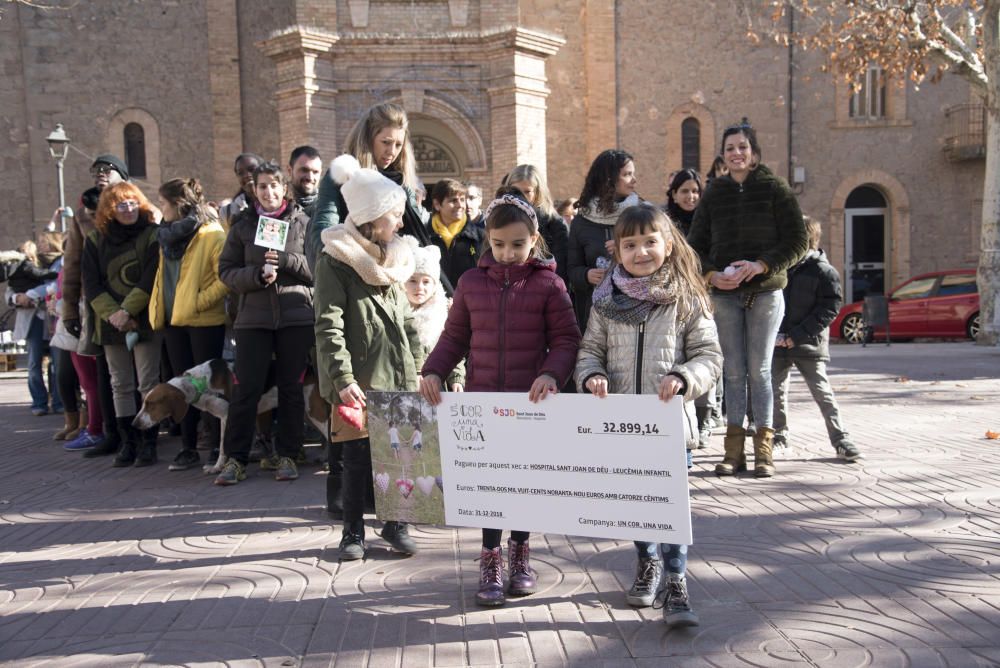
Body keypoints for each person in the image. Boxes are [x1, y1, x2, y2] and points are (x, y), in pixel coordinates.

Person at [420, 189, 581, 607]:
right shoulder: (472, 283)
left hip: (530, 406)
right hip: (484, 403)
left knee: (523, 484)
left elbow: (566, 338)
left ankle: (521, 553)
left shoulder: (550, 283)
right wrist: (434, 370)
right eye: (498, 244)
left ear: (534, 240)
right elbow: (455, 336)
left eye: (518, 244)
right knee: (490, 485)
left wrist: (551, 373)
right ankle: (490, 558)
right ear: (487, 239)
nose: (507, 253)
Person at [575, 203, 721, 628]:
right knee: (639, 506)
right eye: (630, 244)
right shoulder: (606, 302)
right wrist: (593, 376)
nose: (641, 252)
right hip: (624, 426)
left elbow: (709, 356)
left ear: (668, 244)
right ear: (616, 251)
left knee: (671, 506)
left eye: (650, 242)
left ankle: (676, 580)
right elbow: (589, 352)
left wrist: (683, 375)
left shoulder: (686, 297)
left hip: (670, 426)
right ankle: (648, 562)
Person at [313, 154, 425, 559]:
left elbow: (406, 321)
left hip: (399, 375)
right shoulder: (337, 262)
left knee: (400, 453)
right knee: (357, 459)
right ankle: (353, 532)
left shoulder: (392, 260)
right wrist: (342, 379)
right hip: (359, 380)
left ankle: (396, 524)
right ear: (371, 218)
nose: (399, 222)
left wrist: (423, 366)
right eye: (393, 215)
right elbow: (328, 325)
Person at [687, 119, 808, 478]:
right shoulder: (715, 193)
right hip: (725, 296)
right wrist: (711, 275)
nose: (736, 154)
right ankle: (733, 452)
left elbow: (798, 241)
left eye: (742, 147)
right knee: (733, 372)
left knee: (760, 371)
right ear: (723, 156)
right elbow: (695, 246)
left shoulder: (775, 188)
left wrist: (761, 265)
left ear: (754, 153)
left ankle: (764, 451)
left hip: (766, 293)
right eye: (730, 149)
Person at [216, 161, 314, 485]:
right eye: (262, 186)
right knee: (246, 389)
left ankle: (288, 454)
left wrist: (286, 261)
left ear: (284, 187)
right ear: (253, 190)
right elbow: (226, 271)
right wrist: (256, 275)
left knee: (290, 388)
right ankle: (236, 459)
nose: (268, 191)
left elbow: (318, 268)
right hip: (252, 318)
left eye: (274, 185)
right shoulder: (243, 225)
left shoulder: (303, 222)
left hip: (294, 316)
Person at [149, 178, 228, 471]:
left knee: (206, 388)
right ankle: (187, 447)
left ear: (178, 205)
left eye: (163, 203)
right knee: (180, 385)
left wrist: (196, 301)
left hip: (203, 322)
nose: (161, 209)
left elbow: (225, 280)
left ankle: (213, 449)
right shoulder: (165, 236)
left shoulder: (212, 233)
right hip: (172, 321)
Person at [82, 182, 161, 467]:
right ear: (108, 209)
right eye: (120, 204)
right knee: (120, 384)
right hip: (109, 321)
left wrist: (128, 311)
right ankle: (128, 443)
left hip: (143, 319)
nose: (127, 209)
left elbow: (151, 276)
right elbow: (90, 283)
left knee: (148, 382)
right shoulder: (94, 240)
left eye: (131, 203)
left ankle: (149, 443)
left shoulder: (152, 234)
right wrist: (114, 314)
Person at [772, 217, 862, 462]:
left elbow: (830, 308)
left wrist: (797, 336)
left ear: (807, 239)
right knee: (775, 392)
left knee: (822, 392)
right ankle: (779, 437)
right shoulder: (780, 267)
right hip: (778, 344)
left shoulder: (824, 271)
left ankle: (841, 439)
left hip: (808, 343)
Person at [307, 102, 434, 273]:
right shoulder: (342, 174)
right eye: (386, 142)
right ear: (368, 139)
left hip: (400, 277)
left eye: (398, 145)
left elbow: (416, 236)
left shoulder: (402, 181)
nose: (392, 151)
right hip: (351, 272)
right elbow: (324, 231)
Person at [62, 156, 129, 459]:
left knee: (140, 374)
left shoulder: (135, 207)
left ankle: (141, 434)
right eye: (96, 172)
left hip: (133, 303)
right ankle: (110, 433)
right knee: (105, 372)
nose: (100, 176)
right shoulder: (83, 214)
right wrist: (69, 309)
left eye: (107, 170)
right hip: (98, 304)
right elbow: (72, 262)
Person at [568, 150, 641, 330]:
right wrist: (586, 275)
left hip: (636, 309)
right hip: (594, 315)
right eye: (627, 174)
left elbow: (659, 258)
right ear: (608, 178)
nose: (634, 180)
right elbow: (571, 270)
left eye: (633, 174)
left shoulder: (641, 214)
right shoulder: (581, 220)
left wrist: (627, 248)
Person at [3, 237, 61, 416]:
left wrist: (32, 294)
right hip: (32, 321)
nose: (42, 246)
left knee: (57, 364)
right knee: (34, 363)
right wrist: (17, 299)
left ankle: (59, 402)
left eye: (45, 243)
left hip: (53, 320)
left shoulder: (55, 264)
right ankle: (39, 402)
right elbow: (9, 293)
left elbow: (54, 284)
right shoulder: (21, 267)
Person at [503, 164, 569, 284]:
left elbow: (560, 273)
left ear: (538, 193)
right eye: (516, 191)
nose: (520, 196)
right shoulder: (501, 220)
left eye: (527, 192)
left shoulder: (555, 224)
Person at [428, 178, 484, 288]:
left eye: (462, 199)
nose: (460, 205)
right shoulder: (424, 237)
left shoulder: (480, 237)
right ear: (437, 204)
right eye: (453, 200)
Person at [218, 153, 262, 229]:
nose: (246, 175)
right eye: (241, 173)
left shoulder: (277, 206)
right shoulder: (227, 212)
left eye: (252, 169)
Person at [664, 168, 702, 237]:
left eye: (694, 191)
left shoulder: (708, 222)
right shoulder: (665, 224)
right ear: (674, 195)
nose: (691, 196)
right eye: (685, 191)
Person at [288, 145, 322, 217]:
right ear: (290, 171)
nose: (310, 177)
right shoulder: (276, 205)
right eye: (304, 170)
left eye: (315, 172)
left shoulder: (327, 206)